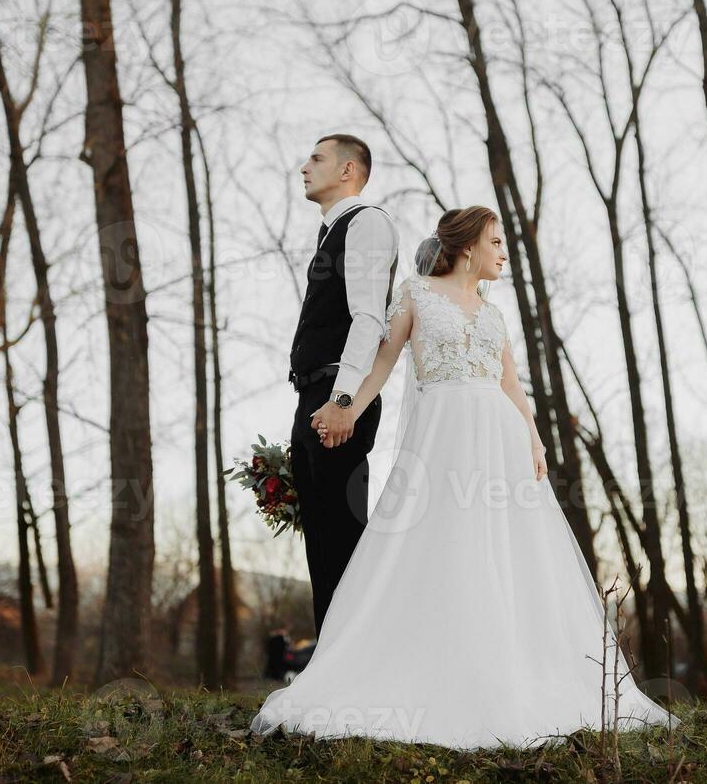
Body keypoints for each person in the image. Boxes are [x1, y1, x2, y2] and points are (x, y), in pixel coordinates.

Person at [255, 205, 678, 750]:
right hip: (442, 438)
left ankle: (514, 669)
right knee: (441, 544)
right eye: (497, 242)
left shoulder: (493, 313)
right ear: (468, 245)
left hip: (500, 442)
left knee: (510, 552)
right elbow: (381, 365)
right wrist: (346, 409)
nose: (503, 252)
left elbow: (512, 384)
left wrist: (534, 437)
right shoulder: (415, 294)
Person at [287, 134, 399, 635]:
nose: (304, 167)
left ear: (349, 170)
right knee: (322, 540)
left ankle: (357, 664)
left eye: (317, 158)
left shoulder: (366, 222)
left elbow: (369, 318)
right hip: (315, 394)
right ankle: (330, 668)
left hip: (339, 396)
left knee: (342, 538)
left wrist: (343, 401)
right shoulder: (330, 231)